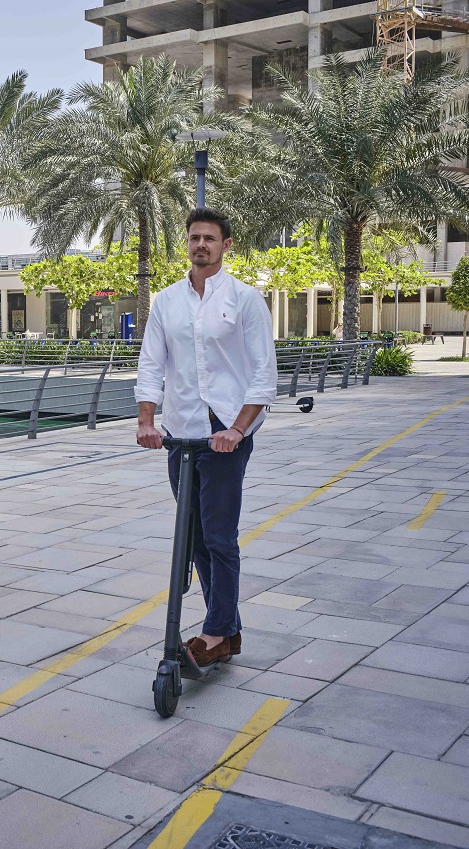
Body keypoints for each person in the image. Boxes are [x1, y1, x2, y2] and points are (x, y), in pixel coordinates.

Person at [135, 207, 277, 667]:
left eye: (210, 238)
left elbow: (263, 375)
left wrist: (237, 429)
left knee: (219, 536)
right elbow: (151, 366)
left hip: (226, 430)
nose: (201, 245)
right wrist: (146, 421)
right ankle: (229, 631)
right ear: (187, 243)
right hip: (182, 432)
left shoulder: (245, 299)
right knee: (191, 537)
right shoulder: (166, 301)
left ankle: (216, 632)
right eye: (195, 237)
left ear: (225, 245)